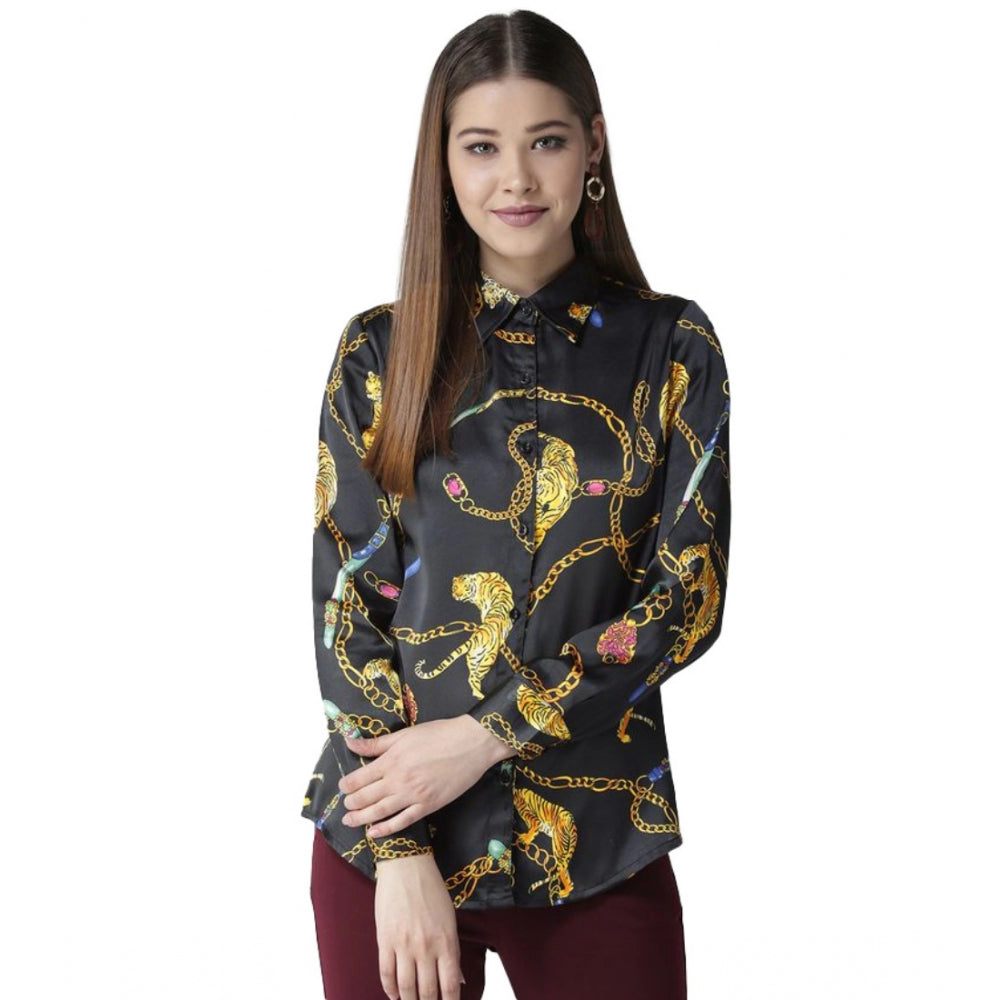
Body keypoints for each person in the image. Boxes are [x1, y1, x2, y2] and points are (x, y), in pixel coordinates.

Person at [301, 9, 731, 1000]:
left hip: (600, 841)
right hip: (388, 852)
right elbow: (347, 604)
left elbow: (687, 598)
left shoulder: (674, 349)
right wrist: (399, 848)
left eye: (545, 141)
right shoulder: (377, 354)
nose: (517, 180)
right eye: (482, 147)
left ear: (593, 145)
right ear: (443, 162)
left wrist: (488, 733)